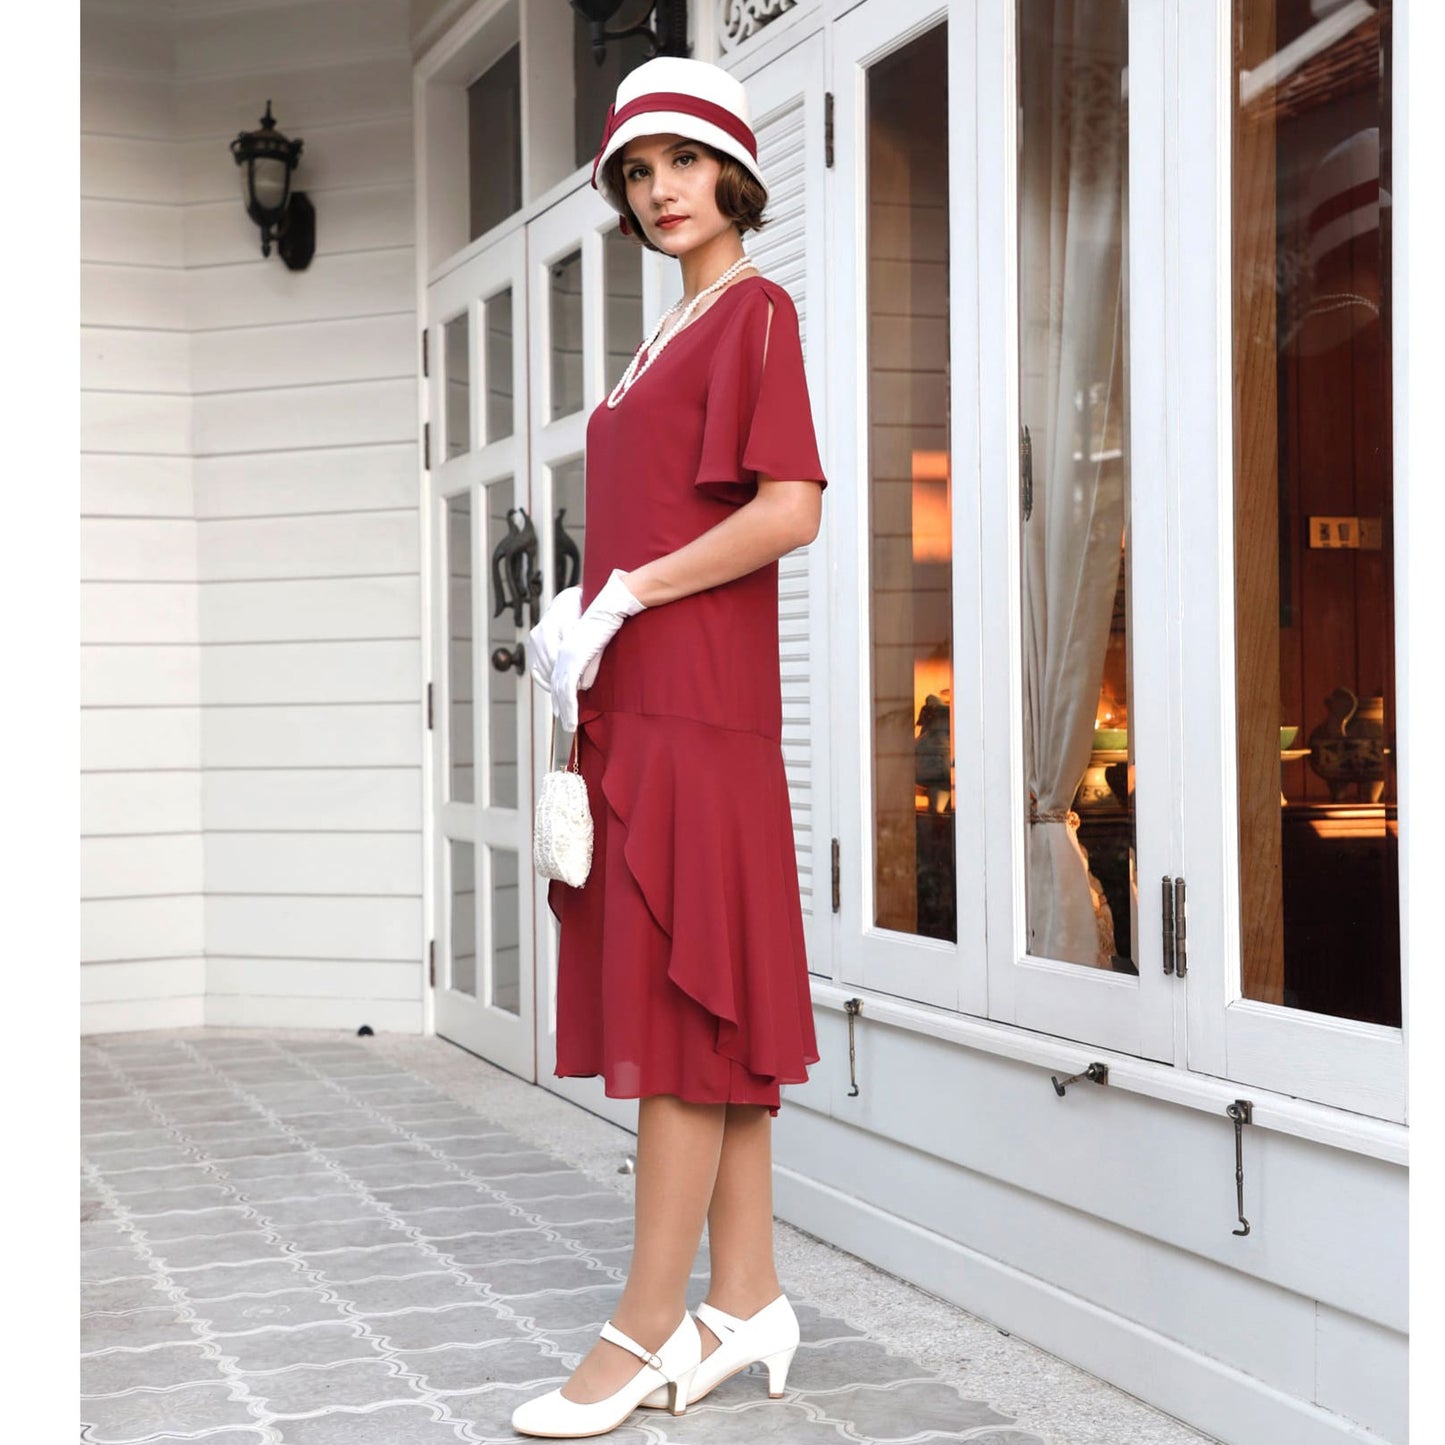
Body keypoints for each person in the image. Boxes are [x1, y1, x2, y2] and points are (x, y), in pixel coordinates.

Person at [514, 55, 828, 1441]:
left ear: (733, 171)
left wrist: (629, 594)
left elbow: (789, 509)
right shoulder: (662, 339)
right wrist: (581, 617)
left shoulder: (755, 312)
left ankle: (641, 1328)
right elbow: (650, 520)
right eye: (637, 176)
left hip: (699, 715)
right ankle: (746, 1293)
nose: (659, 194)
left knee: (680, 1017)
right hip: (639, 706)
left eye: (682, 165)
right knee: (709, 1018)